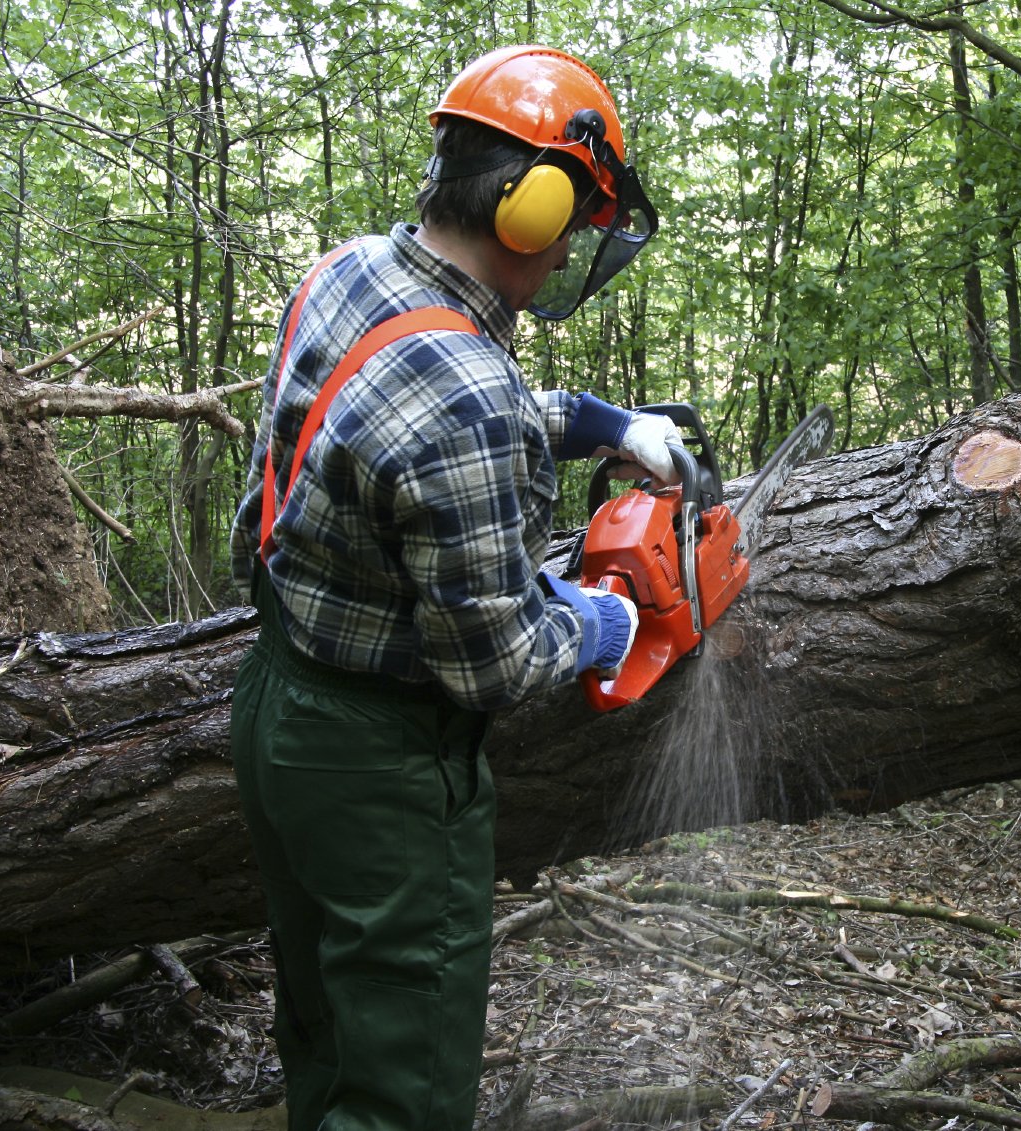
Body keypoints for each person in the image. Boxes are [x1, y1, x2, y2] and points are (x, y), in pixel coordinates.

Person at [227, 44, 671, 1131]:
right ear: (532, 208)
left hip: (278, 704)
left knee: (326, 1035)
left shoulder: (353, 271)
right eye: (572, 224)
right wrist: (609, 621)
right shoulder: (467, 395)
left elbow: (428, 398)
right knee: (405, 1095)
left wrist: (612, 426)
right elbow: (499, 661)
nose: (569, 253)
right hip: (385, 770)